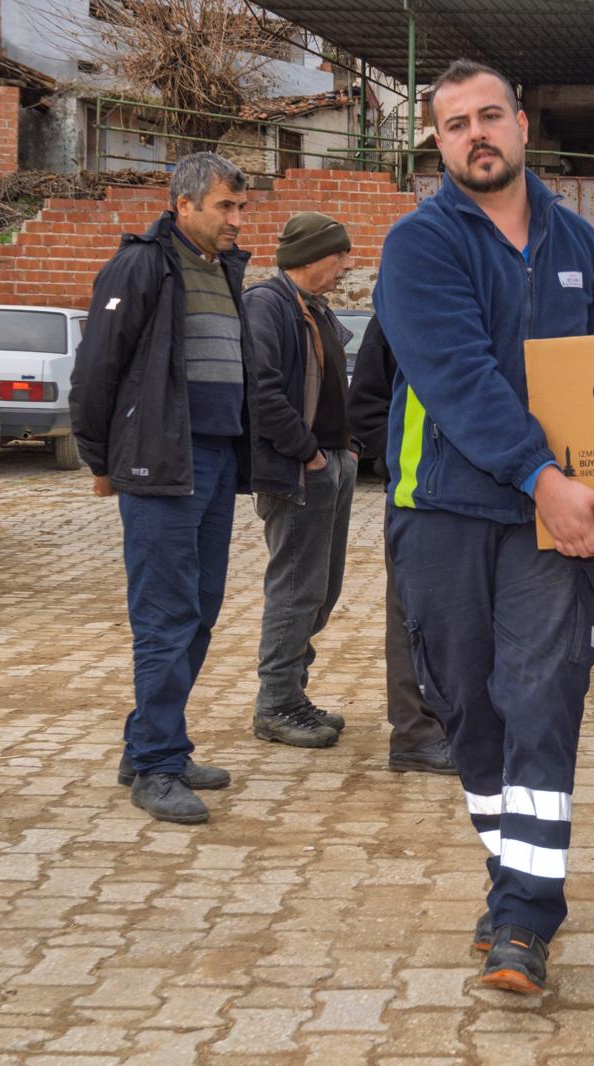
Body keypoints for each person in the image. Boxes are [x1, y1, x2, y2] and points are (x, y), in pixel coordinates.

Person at [373, 58, 594, 997]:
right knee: (470, 710)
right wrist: (539, 472)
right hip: (441, 511)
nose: (474, 135)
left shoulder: (580, 245)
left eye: (489, 116)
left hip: (544, 523)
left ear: (523, 124)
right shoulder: (420, 244)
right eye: (452, 125)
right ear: (437, 142)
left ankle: (525, 918)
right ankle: (507, 875)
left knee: (545, 697)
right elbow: (456, 378)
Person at [70, 152, 260, 826]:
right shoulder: (143, 266)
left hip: (210, 463)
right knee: (165, 616)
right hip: (159, 466)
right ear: (183, 205)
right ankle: (155, 767)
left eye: (242, 207)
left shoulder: (223, 269)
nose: (237, 219)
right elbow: (97, 370)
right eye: (224, 208)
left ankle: (153, 744)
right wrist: (100, 459)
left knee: (200, 610)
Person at [242, 212, 358, 748]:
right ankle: (278, 705)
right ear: (312, 257)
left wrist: (343, 451)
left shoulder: (312, 307)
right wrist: (307, 453)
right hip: (300, 470)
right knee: (295, 588)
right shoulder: (268, 305)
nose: (346, 265)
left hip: (331, 463)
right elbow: (261, 391)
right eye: (340, 255)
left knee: (321, 589)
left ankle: (294, 693)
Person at [345, 316, 457, 775]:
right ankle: (415, 734)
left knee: (464, 618)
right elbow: (366, 406)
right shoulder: (401, 308)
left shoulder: (491, 297)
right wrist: (401, 464)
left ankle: (457, 725)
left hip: (480, 494)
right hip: (418, 496)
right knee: (412, 617)